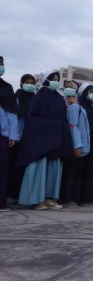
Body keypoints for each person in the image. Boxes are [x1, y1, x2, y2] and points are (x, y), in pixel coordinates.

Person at [18, 71, 71, 210]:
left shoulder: (59, 98)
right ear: (46, 80)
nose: (55, 81)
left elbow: (64, 118)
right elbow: (33, 118)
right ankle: (36, 199)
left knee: (53, 167)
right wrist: (52, 125)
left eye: (57, 79)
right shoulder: (40, 96)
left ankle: (49, 198)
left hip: (55, 138)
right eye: (52, 79)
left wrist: (62, 128)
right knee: (39, 167)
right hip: (41, 139)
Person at [60, 82, 93, 207]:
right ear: (83, 93)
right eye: (90, 92)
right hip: (79, 145)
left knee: (88, 172)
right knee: (74, 172)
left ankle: (86, 198)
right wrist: (77, 145)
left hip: (91, 145)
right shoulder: (75, 108)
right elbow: (73, 127)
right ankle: (70, 199)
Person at [8, 74, 36, 203]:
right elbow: (13, 117)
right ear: (21, 83)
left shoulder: (35, 100)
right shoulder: (17, 98)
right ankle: (10, 194)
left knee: (23, 169)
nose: (30, 85)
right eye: (27, 82)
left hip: (29, 140)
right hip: (16, 138)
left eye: (32, 83)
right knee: (12, 167)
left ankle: (18, 194)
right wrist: (13, 135)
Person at [0, 56, 19, 212]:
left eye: (1, 64)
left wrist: (13, 135)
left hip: (3, 133)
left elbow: (12, 113)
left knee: (2, 168)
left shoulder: (7, 88)